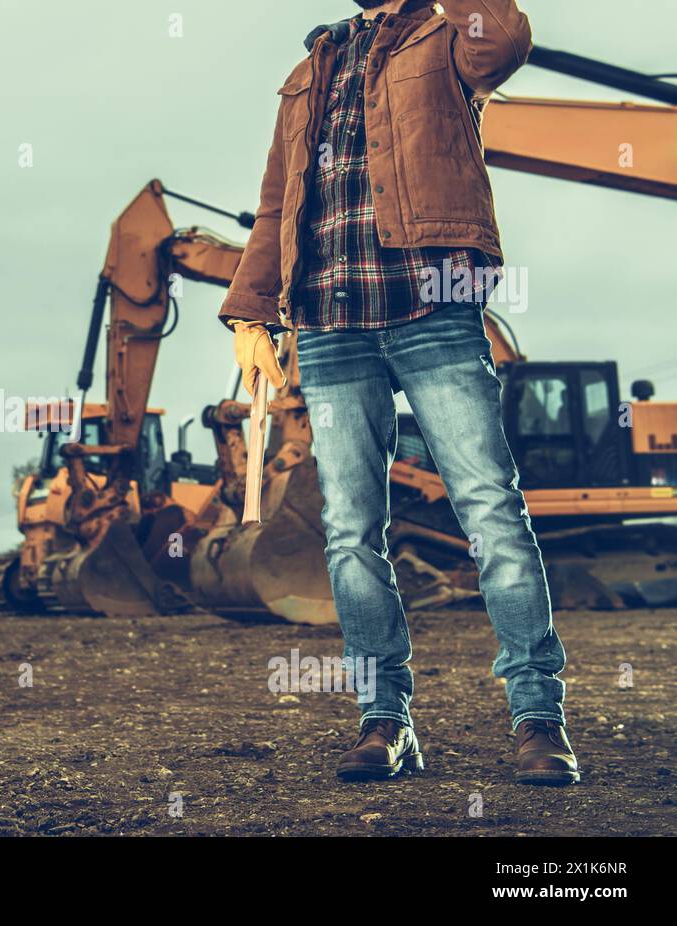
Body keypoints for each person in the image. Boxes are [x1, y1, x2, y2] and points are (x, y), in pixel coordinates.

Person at [222, 0, 578, 785]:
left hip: (432, 306)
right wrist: (251, 310)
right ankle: (385, 723)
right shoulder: (309, 67)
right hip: (327, 321)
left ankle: (538, 721)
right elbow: (279, 199)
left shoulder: (448, 34)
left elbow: (508, 39)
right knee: (350, 531)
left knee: (490, 510)